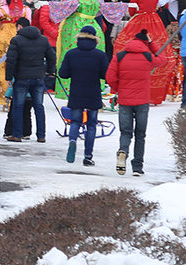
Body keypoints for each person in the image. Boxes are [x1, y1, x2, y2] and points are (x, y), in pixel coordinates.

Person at [107, 29, 167, 176]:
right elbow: (163, 60)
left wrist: (118, 88)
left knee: (126, 132)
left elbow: (110, 76)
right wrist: (152, 44)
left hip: (125, 100)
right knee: (140, 134)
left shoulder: (120, 56)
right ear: (145, 43)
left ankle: (123, 151)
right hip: (142, 101)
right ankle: (137, 166)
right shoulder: (148, 56)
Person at [57, 24, 109, 166]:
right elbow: (106, 75)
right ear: (94, 39)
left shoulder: (71, 54)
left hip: (76, 93)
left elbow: (63, 74)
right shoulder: (100, 55)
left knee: (75, 121)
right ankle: (88, 156)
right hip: (93, 93)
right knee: (91, 125)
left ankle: (73, 141)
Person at [3, 17, 56, 143]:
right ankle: (41, 135)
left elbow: (11, 60)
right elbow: (51, 56)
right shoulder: (43, 39)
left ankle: (16, 134)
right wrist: (50, 71)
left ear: (20, 28)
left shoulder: (16, 40)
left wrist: (9, 77)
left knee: (18, 106)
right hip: (38, 77)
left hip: (21, 77)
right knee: (39, 106)